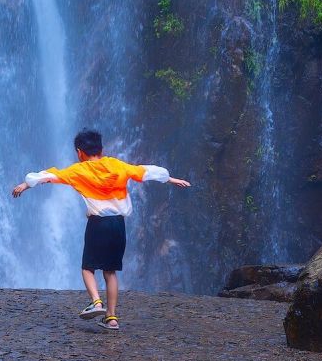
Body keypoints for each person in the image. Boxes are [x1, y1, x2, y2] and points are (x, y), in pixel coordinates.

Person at [11, 127, 191, 329]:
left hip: (98, 224)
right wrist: (171, 179)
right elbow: (143, 172)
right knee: (110, 271)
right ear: (101, 149)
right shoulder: (117, 165)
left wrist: (25, 185)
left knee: (88, 268)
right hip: (118, 225)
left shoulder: (78, 170)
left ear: (80, 152)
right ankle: (112, 318)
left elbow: (50, 176)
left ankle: (96, 302)